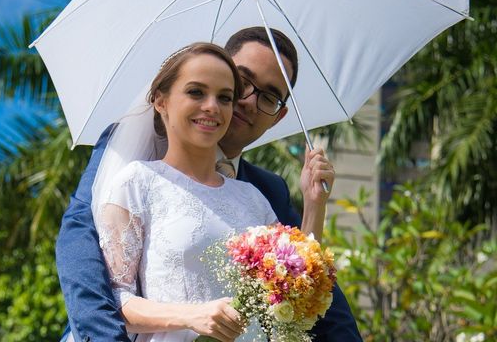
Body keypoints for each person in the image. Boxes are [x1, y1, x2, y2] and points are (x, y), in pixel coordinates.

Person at [56, 28, 362, 342]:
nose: (247, 101)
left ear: (280, 115)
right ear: (162, 100)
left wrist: (315, 204)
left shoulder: (262, 195)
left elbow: (300, 290)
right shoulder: (135, 168)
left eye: (268, 96)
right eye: (242, 83)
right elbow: (81, 241)